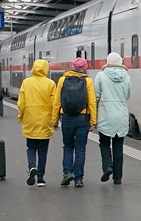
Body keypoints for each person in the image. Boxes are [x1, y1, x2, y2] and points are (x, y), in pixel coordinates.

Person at [52, 57, 97, 188]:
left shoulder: (62, 80)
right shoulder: (87, 81)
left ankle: (67, 173)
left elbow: (57, 102)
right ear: (85, 69)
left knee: (67, 146)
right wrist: (93, 121)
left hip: (66, 117)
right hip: (82, 118)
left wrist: (54, 120)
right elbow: (92, 102)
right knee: (80, 148)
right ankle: (78, 178)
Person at [94, 52, 132, 184]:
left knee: (104, 143)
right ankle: (118, 178)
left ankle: (107, 166)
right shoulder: (126, 76)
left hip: (105, 114)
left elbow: (96, 96)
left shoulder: (100, 75)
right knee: (118, 146)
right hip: (121, 114)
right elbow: (128, 95)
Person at [18, 59, 56, 186]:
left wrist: (21, 116)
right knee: (43, 150)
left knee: (31, 147)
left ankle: (32, 167)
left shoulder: (26, 83)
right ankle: (40, 178)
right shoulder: (50, 83)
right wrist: (54, 120)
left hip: (30, 118)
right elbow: (54, 103)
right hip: (45, 119)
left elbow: (21, 103)